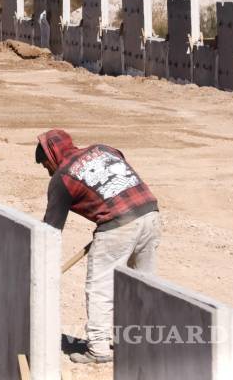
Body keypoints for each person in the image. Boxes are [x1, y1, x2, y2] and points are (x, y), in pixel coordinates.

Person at [35, 129, 161, 365]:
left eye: (45, 165)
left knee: (100, 288)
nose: (48, 171)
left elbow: (49, 232)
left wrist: (38, 268)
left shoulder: (62, 177)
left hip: (117, 225)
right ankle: (143, 344)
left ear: (52, 156)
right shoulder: (103, 149)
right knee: (144, 283)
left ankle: (99, 349)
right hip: (150, 213)